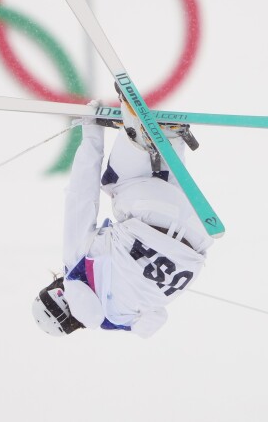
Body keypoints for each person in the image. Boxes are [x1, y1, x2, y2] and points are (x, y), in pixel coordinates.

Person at [32, 106, 215, 338]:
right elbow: (81, 195)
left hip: (197, 234)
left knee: (147, 201)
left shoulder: (123, 320)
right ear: (56, 290)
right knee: (116, 184)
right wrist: (92, 130)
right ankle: (137, 137)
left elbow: (158, 318)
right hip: (154, 212)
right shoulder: (75, 265)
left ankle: (170, 139)